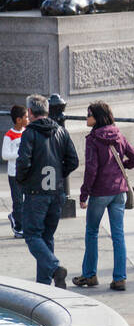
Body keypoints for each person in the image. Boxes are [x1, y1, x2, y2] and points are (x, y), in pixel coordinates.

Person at [74, 101, 134, 291]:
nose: (86, 118)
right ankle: (120, 278)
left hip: (100, 192)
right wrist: (122, 168)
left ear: (97, 117)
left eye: (88, 115)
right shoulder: (117, 134)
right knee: (118, 235)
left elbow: (91, 170)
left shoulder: (93, 139)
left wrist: (84, 194)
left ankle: (90, 275)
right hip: (119, 191)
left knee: (92, 232)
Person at [14, 95, 78, 287]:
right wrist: (59, 174)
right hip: (55, 193)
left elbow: (23, 162)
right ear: (47, 111)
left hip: (36, 193)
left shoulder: (29, 133)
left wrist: (23, 179)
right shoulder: (61, 131)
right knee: (46, 237)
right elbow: (73, 161)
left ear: (31, 112)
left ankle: (54, 268)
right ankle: (44, 284)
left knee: (32, 235)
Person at [4, 105, 27, 238]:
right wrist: (20, 154)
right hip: (14, 173)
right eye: (25, 117)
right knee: (18, 201)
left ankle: (18, 219)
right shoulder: (9, 135)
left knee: (26, 200)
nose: (28, 119)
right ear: (19, 120)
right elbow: (5, 155)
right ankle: (19, 227)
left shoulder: (27, 132)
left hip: (26, 172)